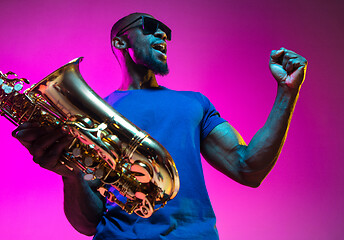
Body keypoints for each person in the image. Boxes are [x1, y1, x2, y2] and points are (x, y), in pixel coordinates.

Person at [12, 12, 307, 240]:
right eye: (149, 28)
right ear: (120, 41)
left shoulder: (194, 103)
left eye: (166, 33)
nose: (162, 36)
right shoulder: (86, 117)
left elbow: (248, 168)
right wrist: (71, 176)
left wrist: (286, 92)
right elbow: (89, 223)